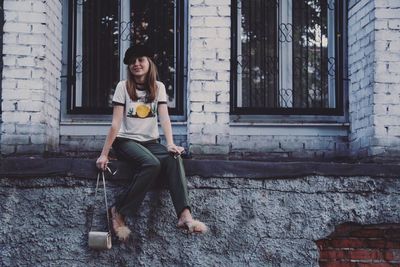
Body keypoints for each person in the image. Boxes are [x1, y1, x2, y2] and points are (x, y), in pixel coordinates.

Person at [96, 45, 207, 241]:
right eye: (132, 62)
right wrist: (104, 153)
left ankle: (184, 215)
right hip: (125, 141)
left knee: (174, 157)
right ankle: (118, 210)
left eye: (141, 60)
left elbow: (164, 119)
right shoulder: (123, 86)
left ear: (149, 62)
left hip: (150, 142)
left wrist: (170, 144)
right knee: (152, 163)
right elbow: (115, 123)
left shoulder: (158, 87)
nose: (136, 64)